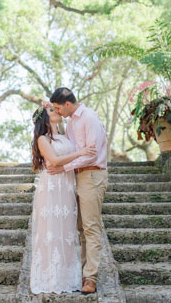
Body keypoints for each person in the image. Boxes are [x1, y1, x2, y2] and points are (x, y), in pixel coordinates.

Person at [29, 104, 96, 295]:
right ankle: (51, 279)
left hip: (67, 186)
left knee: (67, 231)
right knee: (51, 230)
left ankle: (68, 277)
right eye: (51, 111)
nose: (56, 112)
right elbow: (56, 161)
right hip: (52, 186)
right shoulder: (43, 139)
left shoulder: (65, 136)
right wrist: (82, 152)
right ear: (45, 119)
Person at [47, 87, 108, 295]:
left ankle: (91, 277)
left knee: (91, 226)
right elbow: (74, 153)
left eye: (57, 108)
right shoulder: (71, 122)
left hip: (92, 174)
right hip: (77, 176)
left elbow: (92, 154)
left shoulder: (89, 118)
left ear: (67, 104)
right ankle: (84, 272)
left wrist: (62, 168)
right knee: (81, 228)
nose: (58, 112)